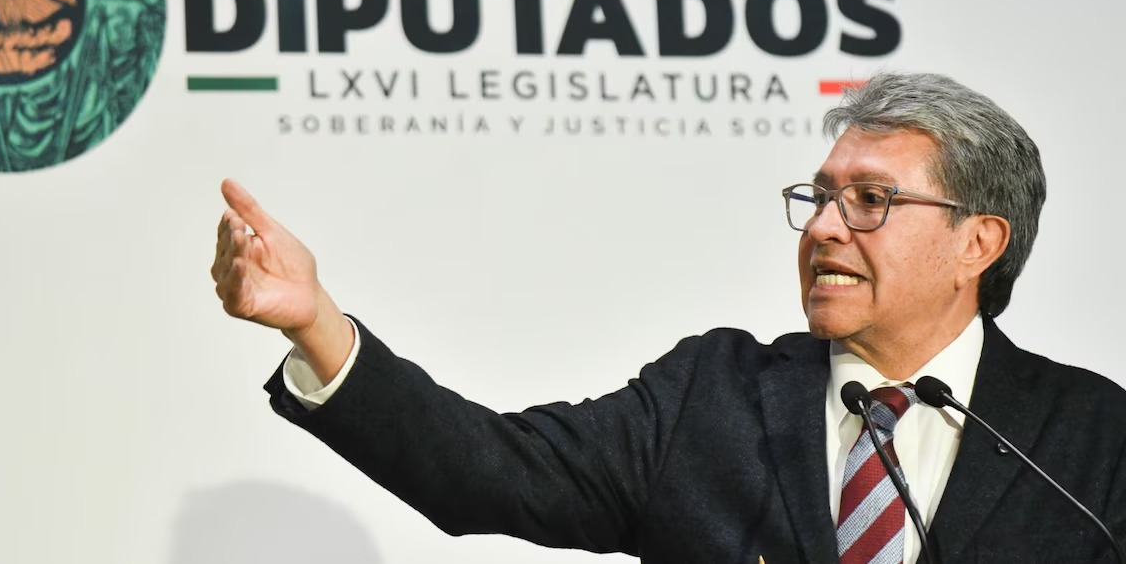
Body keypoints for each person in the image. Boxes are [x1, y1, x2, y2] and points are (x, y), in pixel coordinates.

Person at [211, 72, 1126, 563]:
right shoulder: (712, 397)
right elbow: (490, 472)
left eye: (870, 200)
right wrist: (316, 322)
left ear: (977, 243)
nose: (822, 227)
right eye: (819, 196)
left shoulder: (1090, 441)